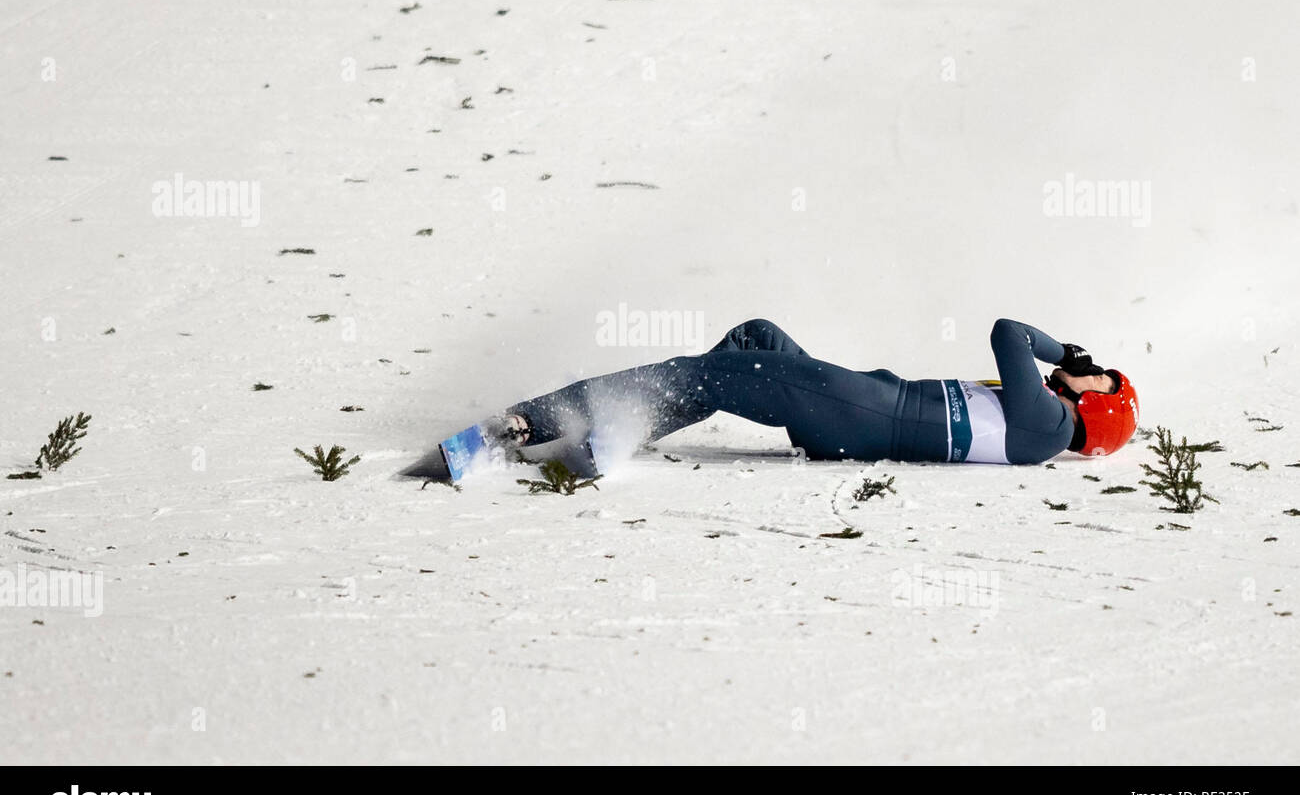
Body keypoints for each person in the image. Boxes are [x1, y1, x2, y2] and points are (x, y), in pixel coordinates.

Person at [451, 317, 1140, 474]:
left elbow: (1008, 332)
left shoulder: (1046, 428)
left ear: (1097, 407)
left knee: (710, 372)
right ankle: (616, 434)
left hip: (858, 412)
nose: (1086, 368)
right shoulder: (1039, 424)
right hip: (855, 408)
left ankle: (528, 421)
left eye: (1098, 376)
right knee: (754, 338)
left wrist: (1066, 352)